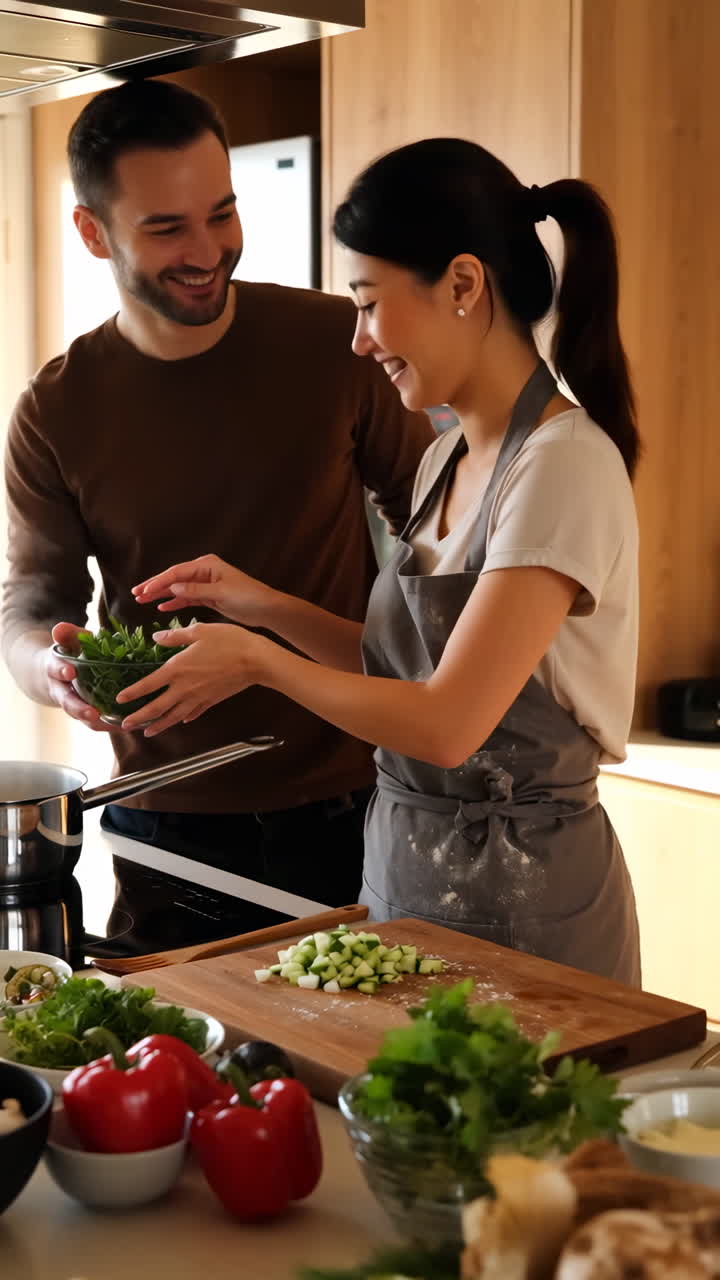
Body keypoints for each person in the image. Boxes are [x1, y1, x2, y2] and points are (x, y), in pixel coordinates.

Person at [113, 137, 643, 984]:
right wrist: (264, 609)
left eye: (368, 303)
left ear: (464, 285)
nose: (359, 340)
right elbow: (397, 667)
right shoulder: (446, 460)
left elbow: (445, 722)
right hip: (408, 876)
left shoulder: (562, 465)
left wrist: (260, 666)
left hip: (529, 902)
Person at [1, 80, 433, 927]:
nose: (207, 249)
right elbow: (27, 607)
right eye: (166, 228)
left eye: (221, 213)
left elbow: (441, 530)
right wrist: (52, 672)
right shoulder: (56, 407)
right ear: (93, 232)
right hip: (165, 819)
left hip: (360, 803)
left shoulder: (338, 344)